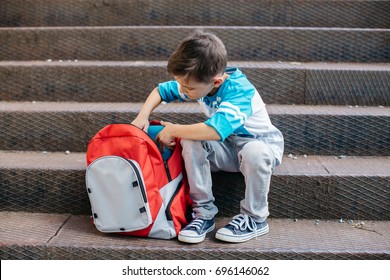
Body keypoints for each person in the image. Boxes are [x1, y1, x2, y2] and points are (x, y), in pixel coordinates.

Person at [131, 29, 284, 243]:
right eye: (181, 84)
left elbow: (213, 130)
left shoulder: (240, 91)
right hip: (228, 149)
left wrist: (174, 129)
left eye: (188, 88)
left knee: (253, 152)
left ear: (217, 82)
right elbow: (160, 91)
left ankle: (255, 218)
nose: (183, 90)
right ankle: (203, 214)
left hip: (260, 148)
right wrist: (142, 117)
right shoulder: (197, 81)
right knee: (192, 139)